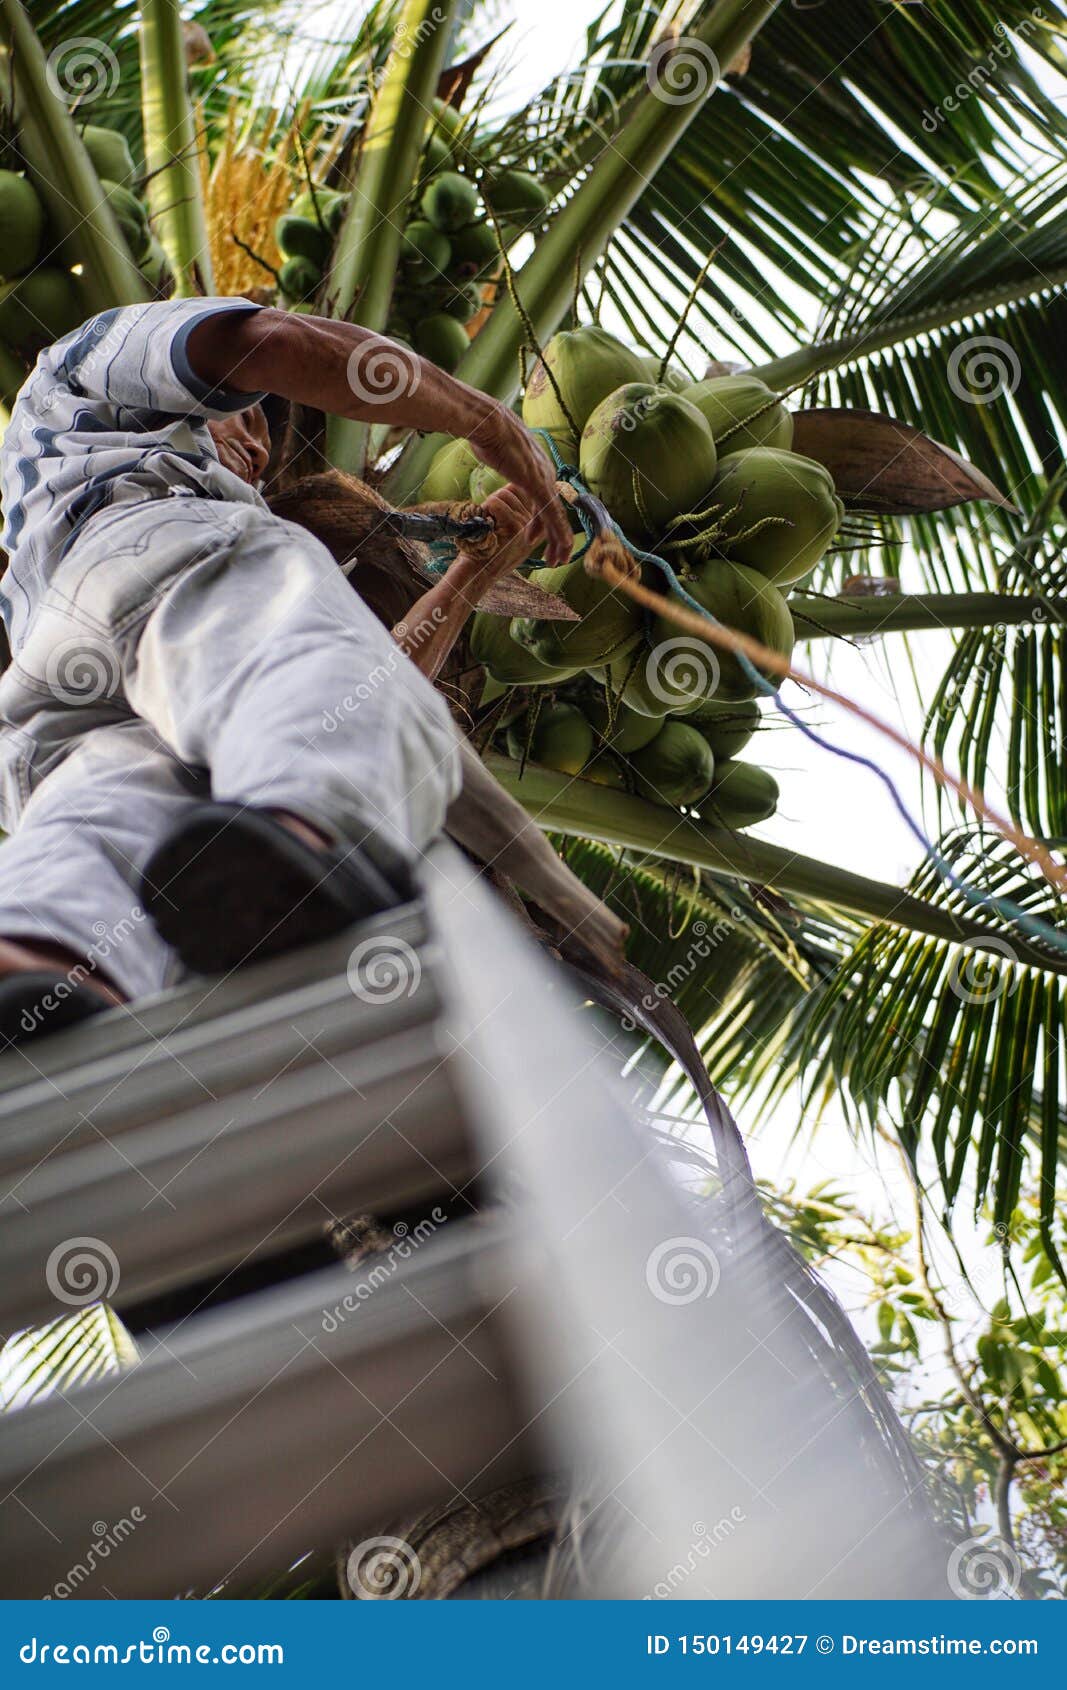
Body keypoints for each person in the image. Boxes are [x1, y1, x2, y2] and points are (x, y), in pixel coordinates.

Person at [0, 296, 571, 1046]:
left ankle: (41, 965)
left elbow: (364, 681)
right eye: (248, 415)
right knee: (303, 675)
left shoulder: (56, 540)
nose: (257, 433)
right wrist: (491, 423)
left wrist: (470, 575)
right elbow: (270, 341)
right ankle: (306, 840)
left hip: (57, 699)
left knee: (105, 810)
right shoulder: (78, 366)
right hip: (148, 546)